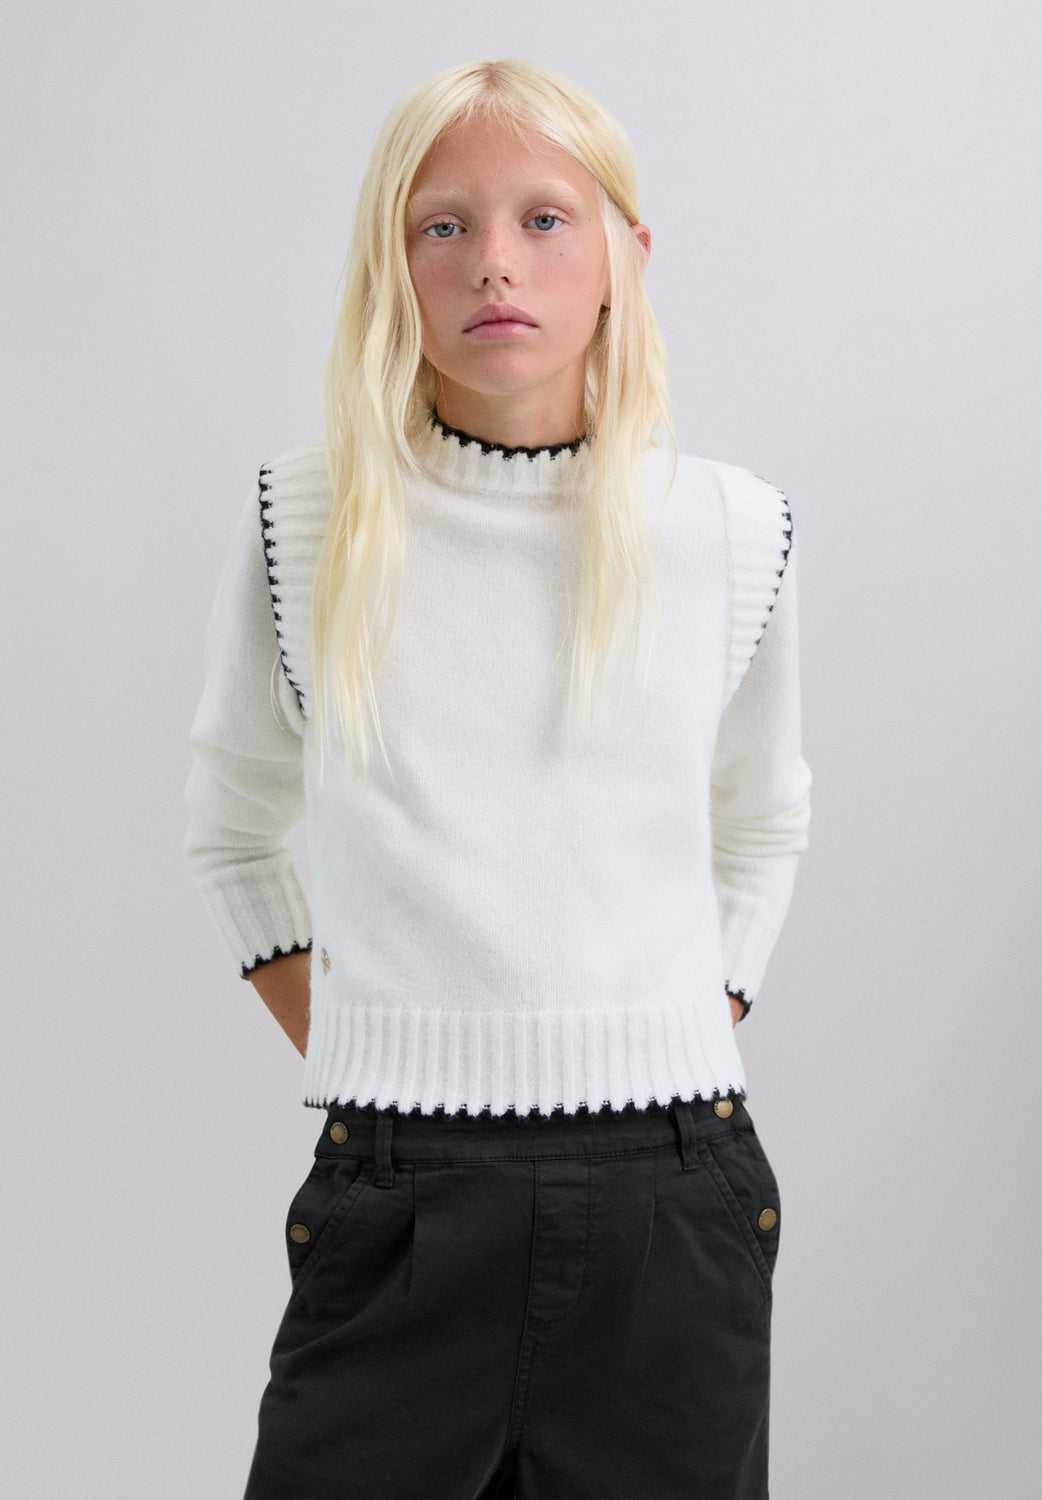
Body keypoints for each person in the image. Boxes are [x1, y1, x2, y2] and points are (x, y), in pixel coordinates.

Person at [184, 55, 811, 1500]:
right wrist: (376, 1043)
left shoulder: (731, 531)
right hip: (396, 1196)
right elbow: (232, 830)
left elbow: (761, 818)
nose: (494, 265)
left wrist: (674, 1019)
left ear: (625, 255)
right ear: (390, 264)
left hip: (671, 1205)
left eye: (544, 219)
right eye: (442, 225)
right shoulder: (305, 518)